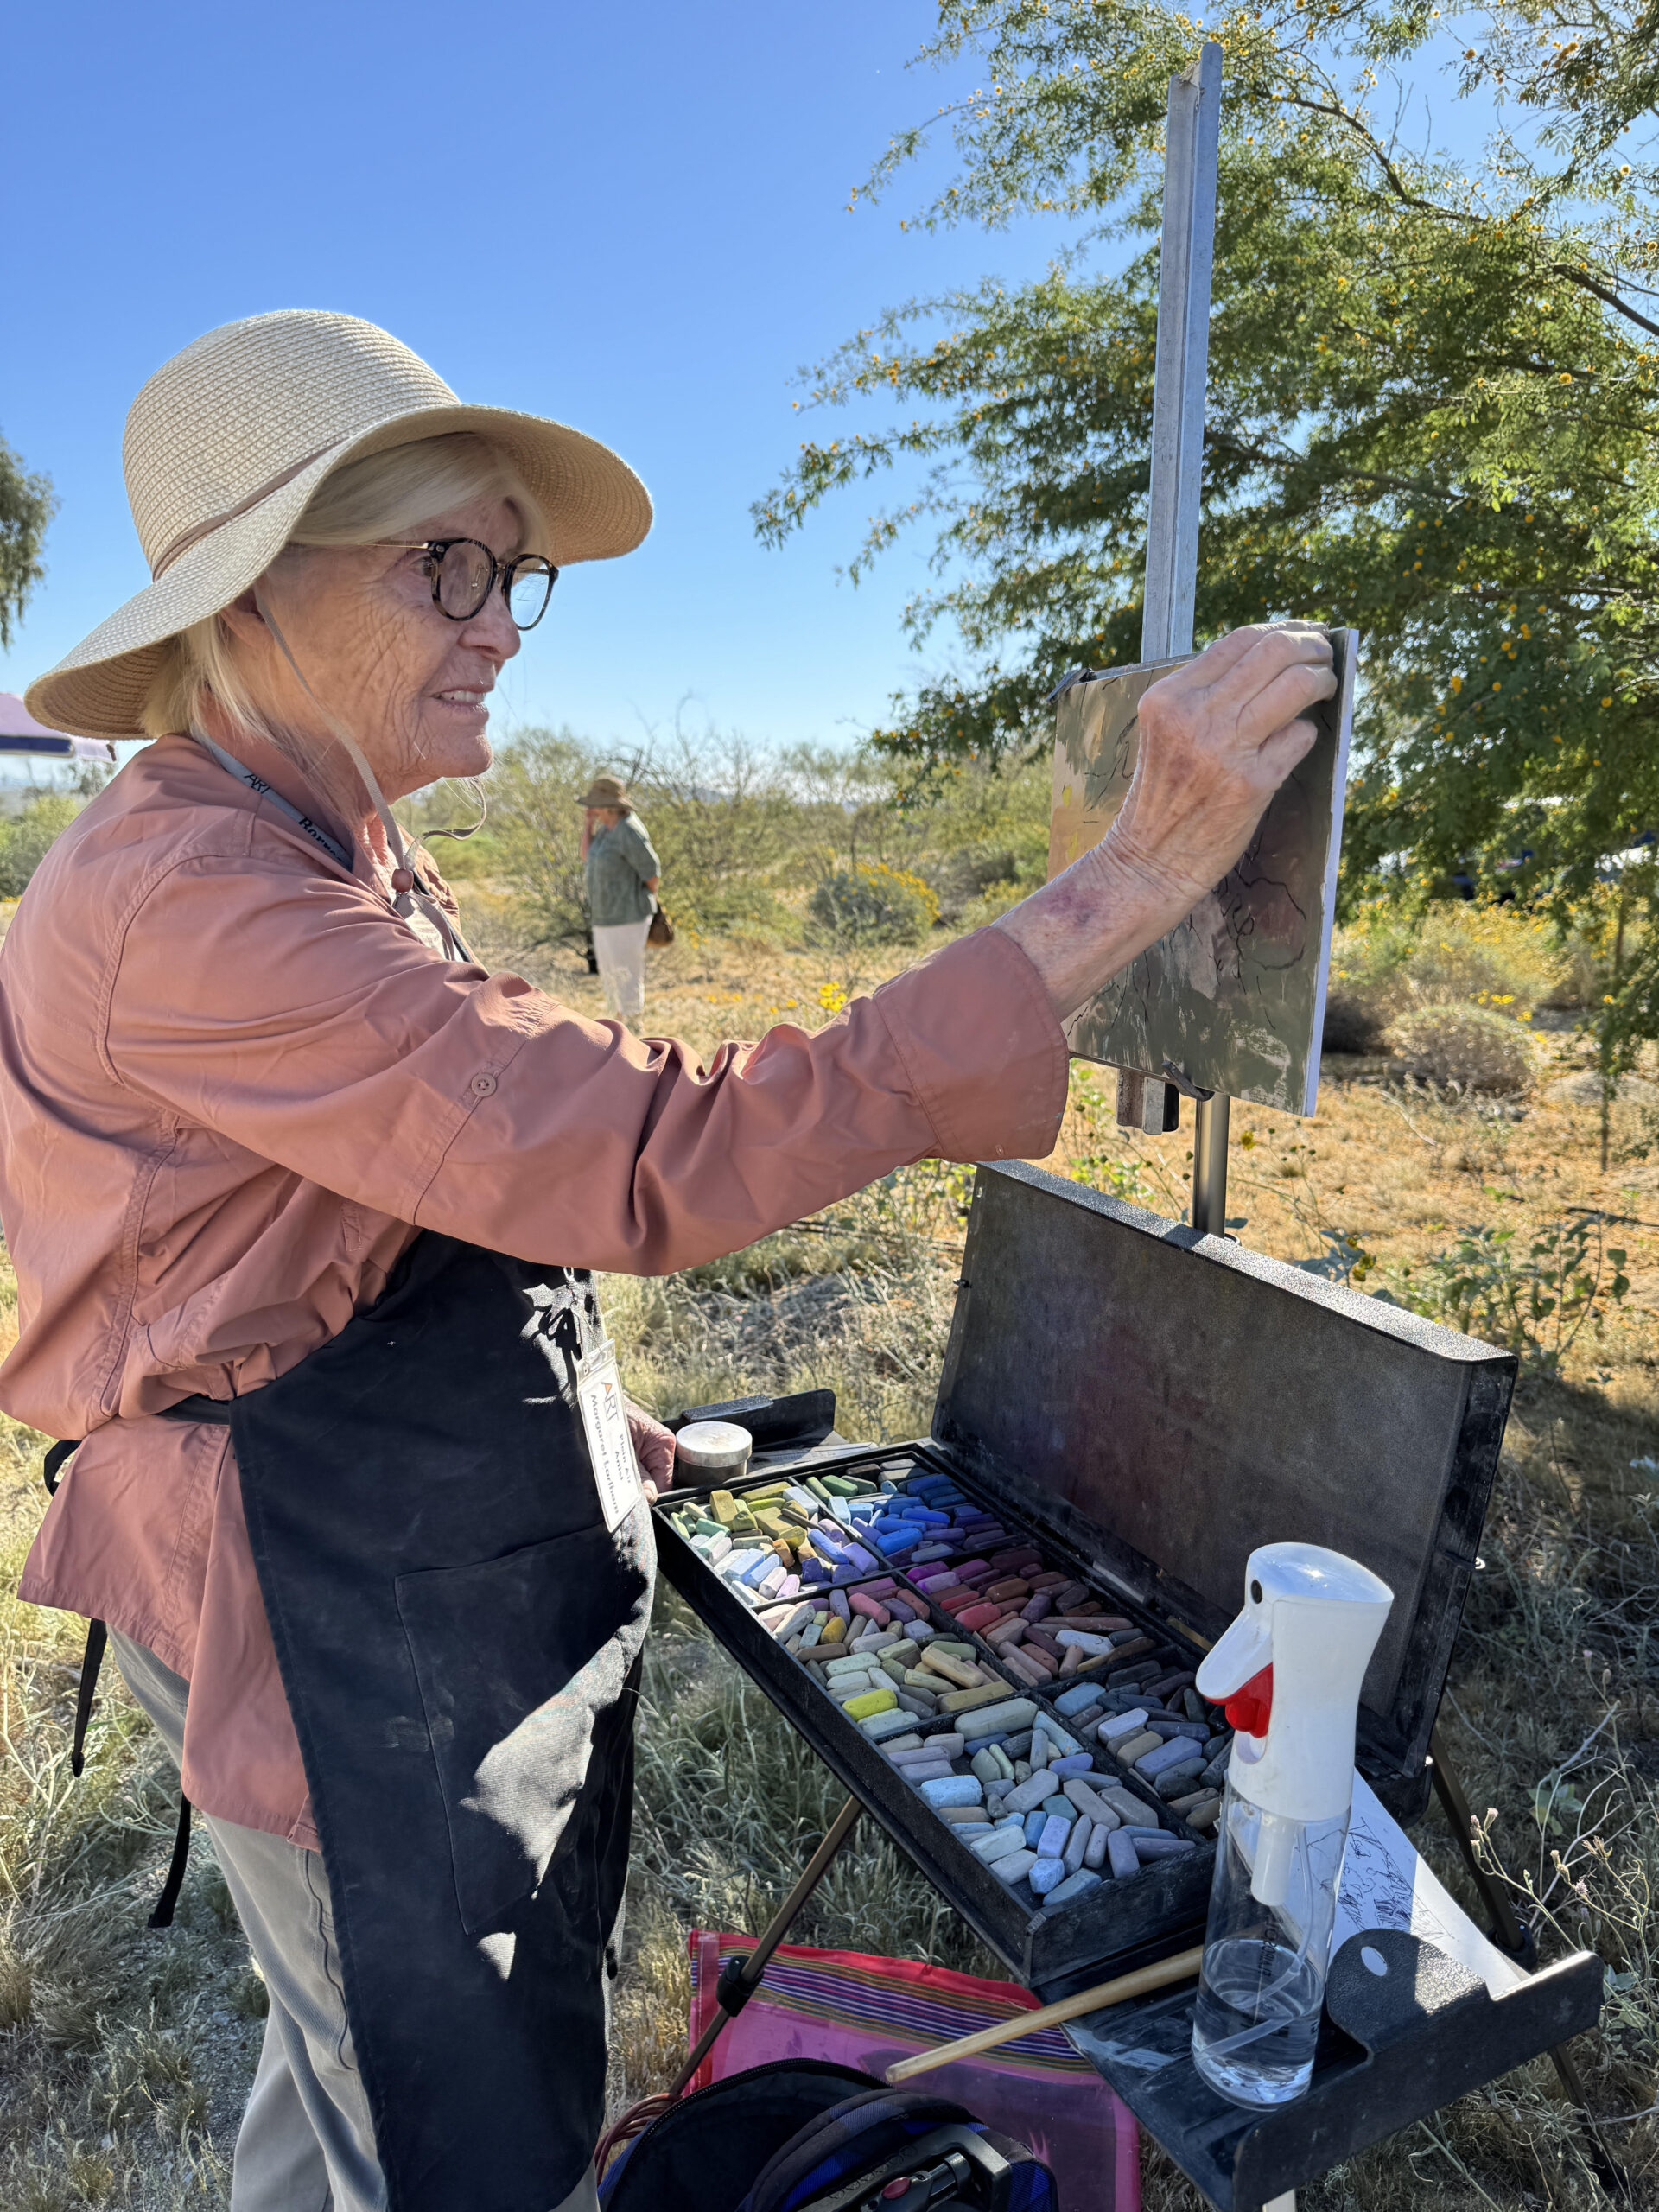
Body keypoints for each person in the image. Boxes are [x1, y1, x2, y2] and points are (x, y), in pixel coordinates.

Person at [0, 309, 1336, 2212]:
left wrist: (576, 1417)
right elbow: (654, 1144)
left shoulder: (324, 826)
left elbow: (390, 1195)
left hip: (384, 1521)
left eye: (508, 571)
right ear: (250, 593)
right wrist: (1128, 879)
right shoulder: (196, 895)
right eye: (444, 563)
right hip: (304, 1582)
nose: (498, 622)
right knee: (447, 2120)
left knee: (353, 2058)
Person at [579, 772, 660, 1019]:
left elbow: (652, 874)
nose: (591, 807)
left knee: (627, 974)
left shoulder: (629, 830)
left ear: (608, 805)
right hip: (605, 915)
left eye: (595, 802)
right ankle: (617, 1026)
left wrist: (633, 897)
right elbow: (586, 855)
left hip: (627, 917)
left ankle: (634, 1028)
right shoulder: (606, 829)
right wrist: (588, 824)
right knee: (609, 974)